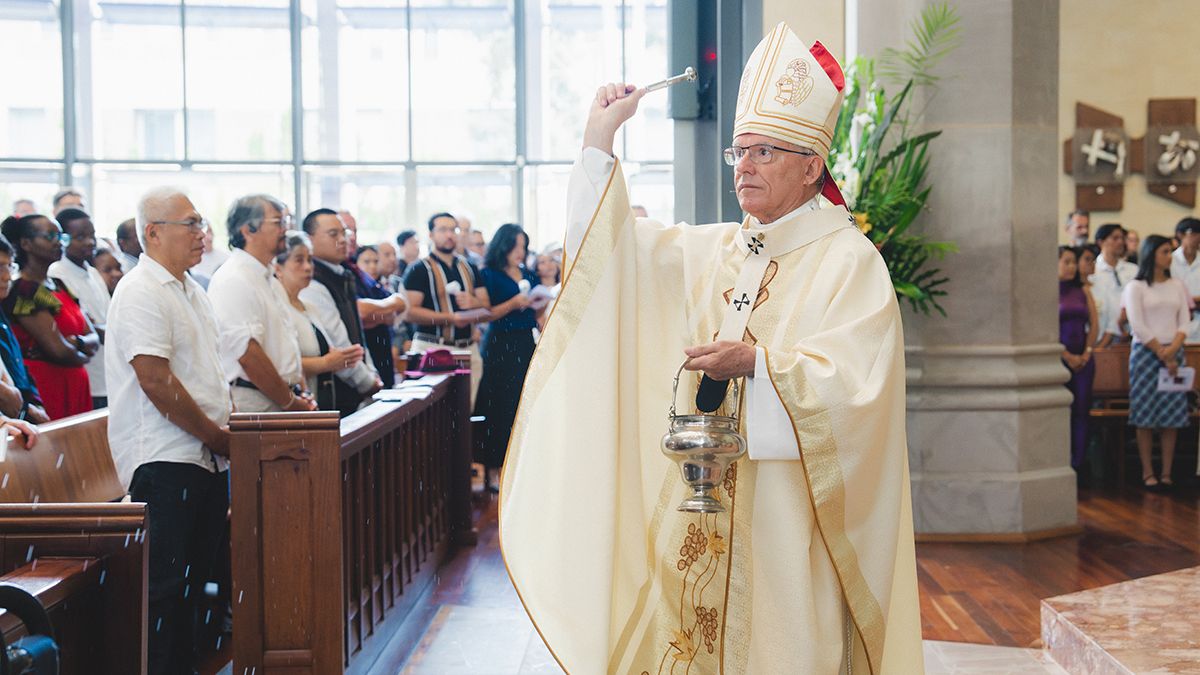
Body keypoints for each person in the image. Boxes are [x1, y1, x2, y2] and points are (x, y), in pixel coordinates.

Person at [500, 23, 922, 675]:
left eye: (763, 153)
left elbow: (857, 392)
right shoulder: (725, 249)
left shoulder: (849, 262)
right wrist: (598, 140)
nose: (744, 168)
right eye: (738, 152)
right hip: (702, 515)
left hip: (786, 532)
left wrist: (758, 366)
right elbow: (610, 262)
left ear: (812, 166)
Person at [106, 187, 231, 675]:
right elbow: (156, 381)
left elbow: (209, 375)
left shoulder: (191, 289)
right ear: (153, 233)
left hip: (202, 456)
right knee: (164, 590)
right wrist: (217, 437)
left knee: (193, 584)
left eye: (202, 223)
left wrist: (224, 431)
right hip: (164, 460)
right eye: (191, 223)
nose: (201, 233)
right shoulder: (140, 290)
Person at [207, 195, 315, 413]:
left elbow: (285, 347)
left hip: (280, 399)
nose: (286, 229)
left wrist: (299, 393)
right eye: (278, 222)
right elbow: (249, 356)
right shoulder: (234, 278)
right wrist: (290, 402)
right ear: (248, 231)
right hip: (255, 403)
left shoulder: (266, 278)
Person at [0, 214, 98, 419]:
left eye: (60, 235)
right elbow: (58, 350)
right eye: (49, 236)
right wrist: (79, 349)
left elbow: (94, 337)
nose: (58, 242)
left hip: (73, 382)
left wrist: (75, 343)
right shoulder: (24, 290)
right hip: (48, 386)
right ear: (26, 243)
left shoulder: (58, 284)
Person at [299, 209, 383, 416]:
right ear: (309, 240)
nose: (343, 240)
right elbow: (339, 343)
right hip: (336, 395)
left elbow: (357, 337)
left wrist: (372, 373)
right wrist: (367, 382)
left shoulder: (341, 274)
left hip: (354, 389)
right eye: (333, 234)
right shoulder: (313, 281)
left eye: (344, 233)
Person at [1123, 235, 1191, 490]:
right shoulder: (1136, 286)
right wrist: (1161, 351)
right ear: (1151, 254)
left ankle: (1166, 472)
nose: (1170, 255)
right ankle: (1147, 472)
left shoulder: (1176, 284)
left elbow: (1184, 321)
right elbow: (1137, 324)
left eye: (1170, 251)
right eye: (1164, 251)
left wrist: (1173, 349)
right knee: (1145, 416)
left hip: (1174, 354)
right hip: (1145, 355)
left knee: (1171, 415)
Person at [472, 224, 537, 490]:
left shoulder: (528, 273)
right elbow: (484, 313)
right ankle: (496, 467)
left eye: (523, 246)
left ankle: (525, 465)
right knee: (499, 403)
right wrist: (513, 304)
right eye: (515, 246)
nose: (519, 252)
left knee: (525, 401)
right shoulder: (488, 274)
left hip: (525, 341)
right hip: (500, 342)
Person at [273, 231, 368, 410]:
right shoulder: (276, 307)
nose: (308, 267)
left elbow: (326, 351)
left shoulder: (309, 306)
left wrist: (343, 357)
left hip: (322, 401)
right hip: (291, 407)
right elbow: (279, 365)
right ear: (278, 269)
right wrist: (327, 363)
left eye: (310, 260)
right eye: (299, 260)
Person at [403, 212, 490, 404]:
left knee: (466, 412)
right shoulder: (419, 269)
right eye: (443, 230)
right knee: (432, 415)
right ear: (431, 235)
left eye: (453, 229)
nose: (449, 235)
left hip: (467, 347)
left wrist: (473, 303)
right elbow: (409, 312)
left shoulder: (469, 267)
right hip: (432, 346)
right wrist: (450, 318)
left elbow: (486, 307)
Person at [47, 207, 111, 409]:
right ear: (63, 239)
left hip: (107, 375)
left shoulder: (93, 273)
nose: (90, 242)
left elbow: (107, 322)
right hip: (86, 376)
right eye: (80, 237)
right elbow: (87, 327)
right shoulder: (57, 274)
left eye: (92, 235)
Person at [0, 236, 49, 424]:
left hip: (18, 415)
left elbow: (16, 363)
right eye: (0, 267)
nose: (7, 276)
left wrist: (33, 404)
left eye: (9, 267)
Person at [1059, 246, 1097, 469]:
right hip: (1058, 358)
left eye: (1075, 262)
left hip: (1083, 359)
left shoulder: (1083, 290)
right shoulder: (1049, 290)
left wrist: (1086, 353)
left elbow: (1093, 324)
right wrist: (1066, 355)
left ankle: (1079, 463)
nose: (1073, 266)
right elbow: (1044, 328)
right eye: (1067, 262)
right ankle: (1061, 461)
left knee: (1082, 409)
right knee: (1062, 409)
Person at [1090, 223, 1137, 347]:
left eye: (1122, 238)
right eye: (1115, 238)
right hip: (1103, 332)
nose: (1120, 242)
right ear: (1101, 242)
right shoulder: (1093, 272)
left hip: (1132, 332)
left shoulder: (1133, 270)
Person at [1169, 217, 1200, 343]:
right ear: (1180, 234)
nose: (1198, 236)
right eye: (1194, 232)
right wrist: (1194, 302)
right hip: (1175, 326)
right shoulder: (1170, 261)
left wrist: (1188, 302)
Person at [189, 220, 231, 290]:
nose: (209, 236)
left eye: (210, 231)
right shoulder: (191, 262)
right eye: (205, 231)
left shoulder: (227, 258)